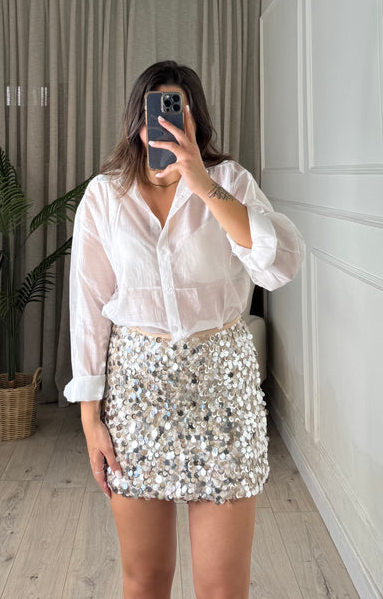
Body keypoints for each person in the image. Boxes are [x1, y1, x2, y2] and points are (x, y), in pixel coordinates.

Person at [64, 60, 304, 599]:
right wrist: (89, 419)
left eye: (178, 110)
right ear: (137, 120)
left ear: (196, 118)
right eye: (156, 112)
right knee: (145, 580)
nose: (166, 123)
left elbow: (281, 263)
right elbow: (88, 308)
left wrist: (202, 183)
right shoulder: (104, 196)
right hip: (137, 399)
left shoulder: (229, 180)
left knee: (222, 588)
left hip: (224, 392)